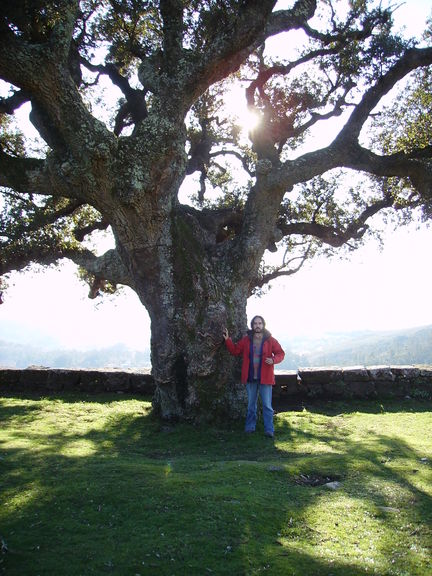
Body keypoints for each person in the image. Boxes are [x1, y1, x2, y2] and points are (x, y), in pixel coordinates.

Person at [223, 316, 285, 438]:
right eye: (255, 323)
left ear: (263, 325)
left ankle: (269, 430)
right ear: (252, 325)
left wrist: (273, 360)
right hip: (250, 378)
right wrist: (227, 340)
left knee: (267, 406)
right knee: (251, 405)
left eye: (260, 323)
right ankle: (250, 427)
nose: (257, 325)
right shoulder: (246, 340)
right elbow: (235, 351)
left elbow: (281, 353)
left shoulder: (270, 340)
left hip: (265, 378)